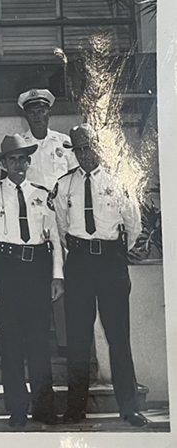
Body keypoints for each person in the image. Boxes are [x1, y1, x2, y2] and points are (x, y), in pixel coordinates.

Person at [53, 124, 148, 427]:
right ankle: (75, 408)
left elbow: (133, 226)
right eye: (78, 149)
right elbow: (62, 228)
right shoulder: (64, 185)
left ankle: (129, 407)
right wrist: (83, 251)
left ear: (99, 147)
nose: (84, 155)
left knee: (118, 336)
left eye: (88, 148)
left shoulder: (118, 181)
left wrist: (112, 253)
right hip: (80, 263)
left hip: (110, 263)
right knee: (79, 339)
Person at [0, 134, 64, 428]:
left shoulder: (43, 195)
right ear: (3, 164)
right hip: (8, 269)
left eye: (22, 159)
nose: (17, 165)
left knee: (40, 342)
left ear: (29, 162)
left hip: (38, 268)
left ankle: (44, 406)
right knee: (11, 342)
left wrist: (57, 276)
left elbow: (55, 240)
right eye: (11, 159)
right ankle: (16, 407)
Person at [17, 88, 77, 357]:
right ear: (25, 115)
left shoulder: (64, 143)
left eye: (41, 110)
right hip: (32, 220)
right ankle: (36, 339)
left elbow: (76, 178)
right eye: (32, 111)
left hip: (63, 218)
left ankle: (66, 340)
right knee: (39, 277)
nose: (37, 115)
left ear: (49, 111)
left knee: (65, 274)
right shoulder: (19, 145)